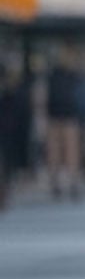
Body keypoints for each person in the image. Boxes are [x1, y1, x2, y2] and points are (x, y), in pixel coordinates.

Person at [44, 47, 85, 200]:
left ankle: (72, 184)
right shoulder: (54, 75)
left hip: (70, 119)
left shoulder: (75, 76)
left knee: (71, 153)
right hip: (55, 118)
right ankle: (57, 184)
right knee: (56, 153)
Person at [0, 62, 28, 211]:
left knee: (6, 166)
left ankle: (4, 195)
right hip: (7, 131)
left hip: (7, 132)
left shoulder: (11, 93)